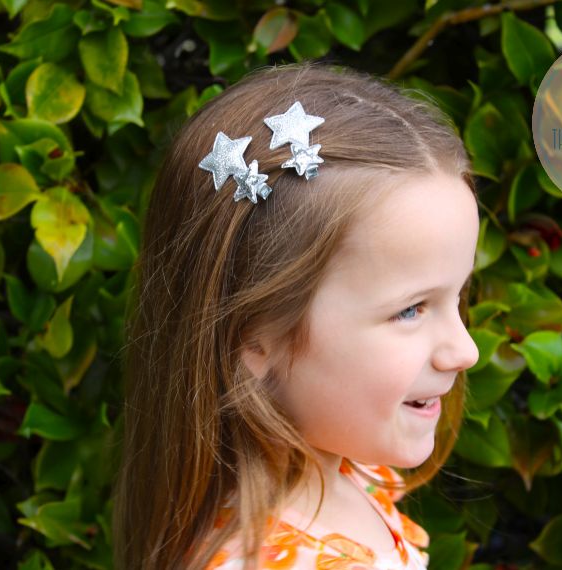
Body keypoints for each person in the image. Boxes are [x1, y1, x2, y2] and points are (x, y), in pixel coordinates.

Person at [112, 61, 481, 570]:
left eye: (458, 297)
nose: (466, 350)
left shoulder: (349, 474)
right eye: (411, 310)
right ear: (254, 337)